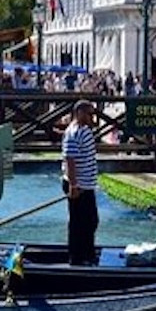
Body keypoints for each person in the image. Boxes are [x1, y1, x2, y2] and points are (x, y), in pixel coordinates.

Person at [62, 99, 99, 265]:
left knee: (91, 220)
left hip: (86, 184)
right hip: (78, 185)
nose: (92, 117)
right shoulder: (74, 132)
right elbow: (70, 160)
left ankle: (88, 254)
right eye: (89, 114)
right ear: (79, 113)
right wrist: (73, 185)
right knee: (79, 223)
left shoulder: (85, 130)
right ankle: (77, 258)